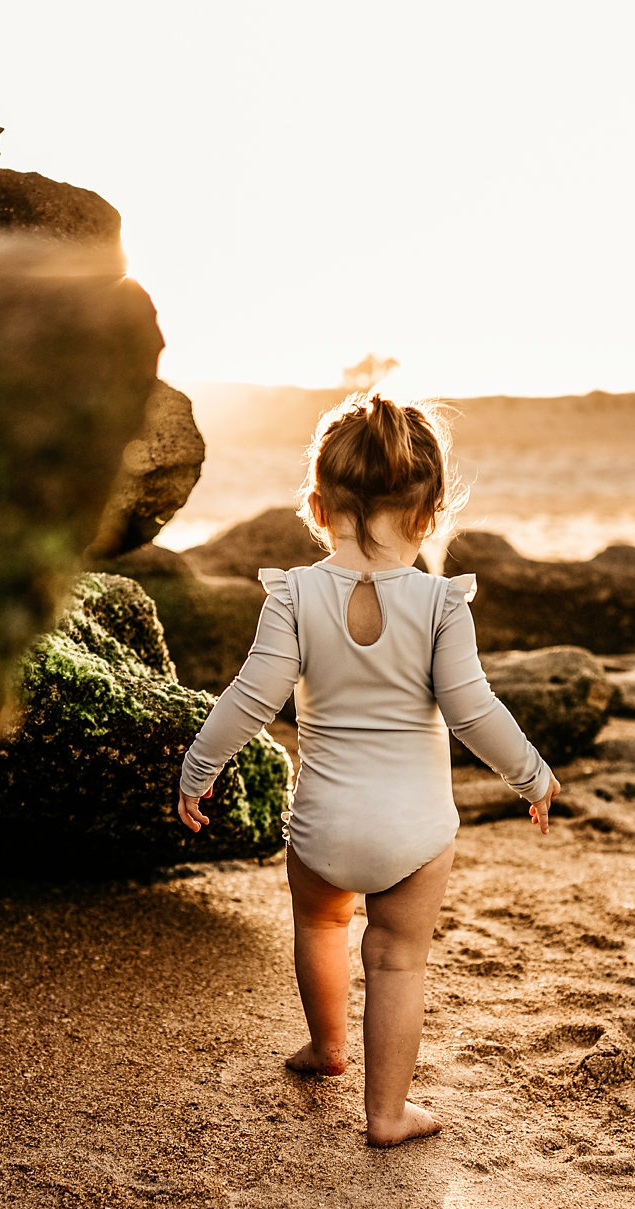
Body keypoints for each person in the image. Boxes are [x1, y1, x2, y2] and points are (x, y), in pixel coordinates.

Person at [177, 393, 560, 1147]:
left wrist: (200, 766)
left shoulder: (291, 595)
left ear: (316, 506)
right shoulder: (441, 604)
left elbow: (252, 696)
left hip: (320, 825)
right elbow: (473, 712)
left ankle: (326, 1049)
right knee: (395, 962)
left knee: (320, 925)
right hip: (414, 832)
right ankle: (387, 1115)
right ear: (431, 513)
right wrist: (532, 776)